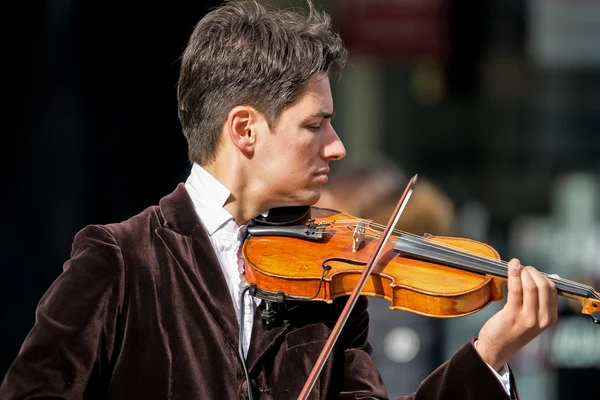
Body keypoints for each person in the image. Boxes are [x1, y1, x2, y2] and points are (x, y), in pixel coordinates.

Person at [0, 1, 559, 399]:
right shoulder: (120, 260)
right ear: (244, 129)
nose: (337, 148)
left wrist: (488, 357)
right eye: (315, 125)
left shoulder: (330, 286)